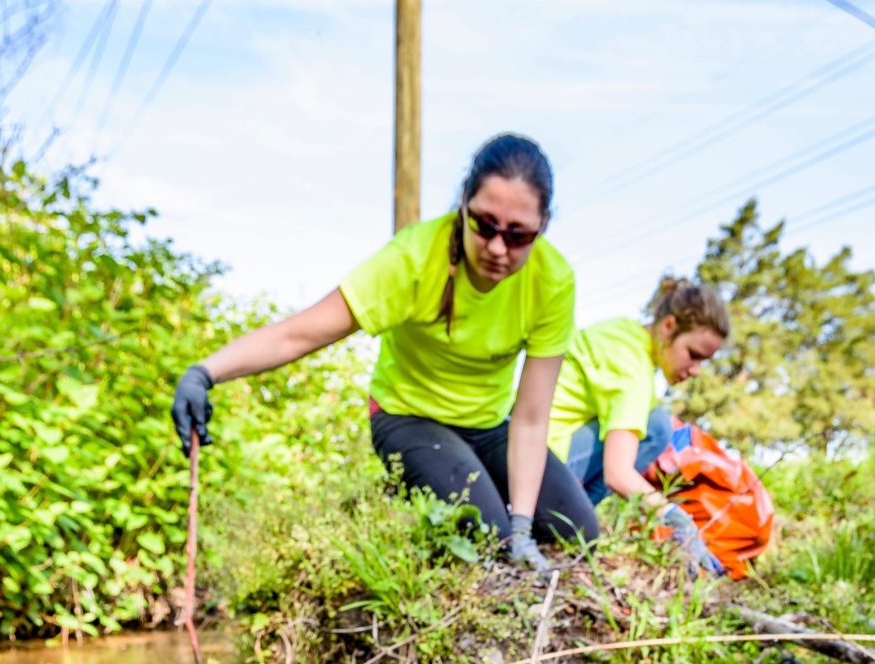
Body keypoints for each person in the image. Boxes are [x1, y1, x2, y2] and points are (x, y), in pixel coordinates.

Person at [169, 134, 592, 572]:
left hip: (487, 425)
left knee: (578, 535)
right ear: (464, 202)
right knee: (490, 541)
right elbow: (300, 333)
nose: (498, 248)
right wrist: (204, 373)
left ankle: (478, 499)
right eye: (484, 225)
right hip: (408, 419)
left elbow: (529, 418)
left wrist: (523, 527)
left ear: (542, 225)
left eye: (518, 235)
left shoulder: (553, 280)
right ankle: (406, 493)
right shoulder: (411, 259)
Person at [548, 278, 731, 573]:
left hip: (527, 450)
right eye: (693, 354)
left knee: (655, 420)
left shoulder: (624, 332)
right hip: (546, 463)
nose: (696, 370)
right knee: (657, 426)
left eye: (704, 361)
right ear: (668, 326)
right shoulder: (634, 371)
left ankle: (570, 519)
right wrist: (676, 517)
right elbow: (617, 474)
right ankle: (565, 523)